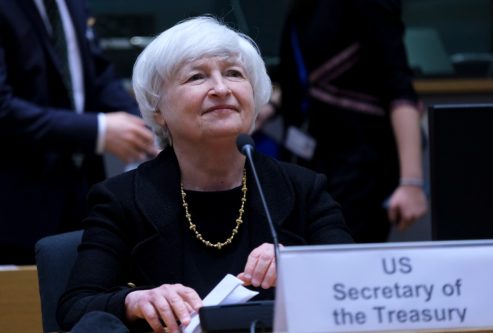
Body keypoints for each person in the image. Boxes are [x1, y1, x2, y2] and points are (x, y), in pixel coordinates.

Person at [56, 16, 353, 333]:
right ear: (158, 108)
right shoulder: (121, 199)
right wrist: (134, 301)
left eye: (234, 74)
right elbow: (76, 307)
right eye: (197, 77)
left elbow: (357, 284)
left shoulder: (303, 188)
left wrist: (301, 266)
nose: (221, 89)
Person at [0, 0, 157, 264]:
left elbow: (98, 75)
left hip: (81, 196)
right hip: (15, 204)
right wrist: (98, 130)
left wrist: (148, 127)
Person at [278, 0, 427, 243]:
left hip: (359, 165)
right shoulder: (303, 8)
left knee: (346, 260)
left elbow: (399, 87)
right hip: (310, 159)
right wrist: (271, 106)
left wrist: (412, 183)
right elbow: (301, 79)